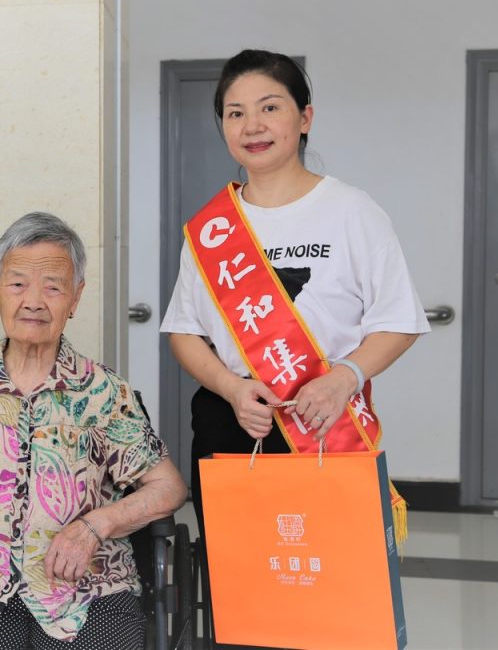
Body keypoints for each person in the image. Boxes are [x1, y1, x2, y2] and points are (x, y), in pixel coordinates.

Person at [0, 212, 187, 650]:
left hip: (87, 591)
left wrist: (95, 526)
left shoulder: (103, 391)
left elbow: (168, 487)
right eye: (17, 284)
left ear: (75, 298)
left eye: (53, 287)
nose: (33, 301)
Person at [159, 49, 430, 534]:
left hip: (325, 416)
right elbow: (184, 332)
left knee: (328, 569)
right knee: (237, 570)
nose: (252, 126)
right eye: (235, 113)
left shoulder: (352, 211)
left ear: (305, 118)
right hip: (234, 418)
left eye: (269, 107)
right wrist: (231, 389)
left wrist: (345, 377)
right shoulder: (211, 228)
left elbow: (399, 322)